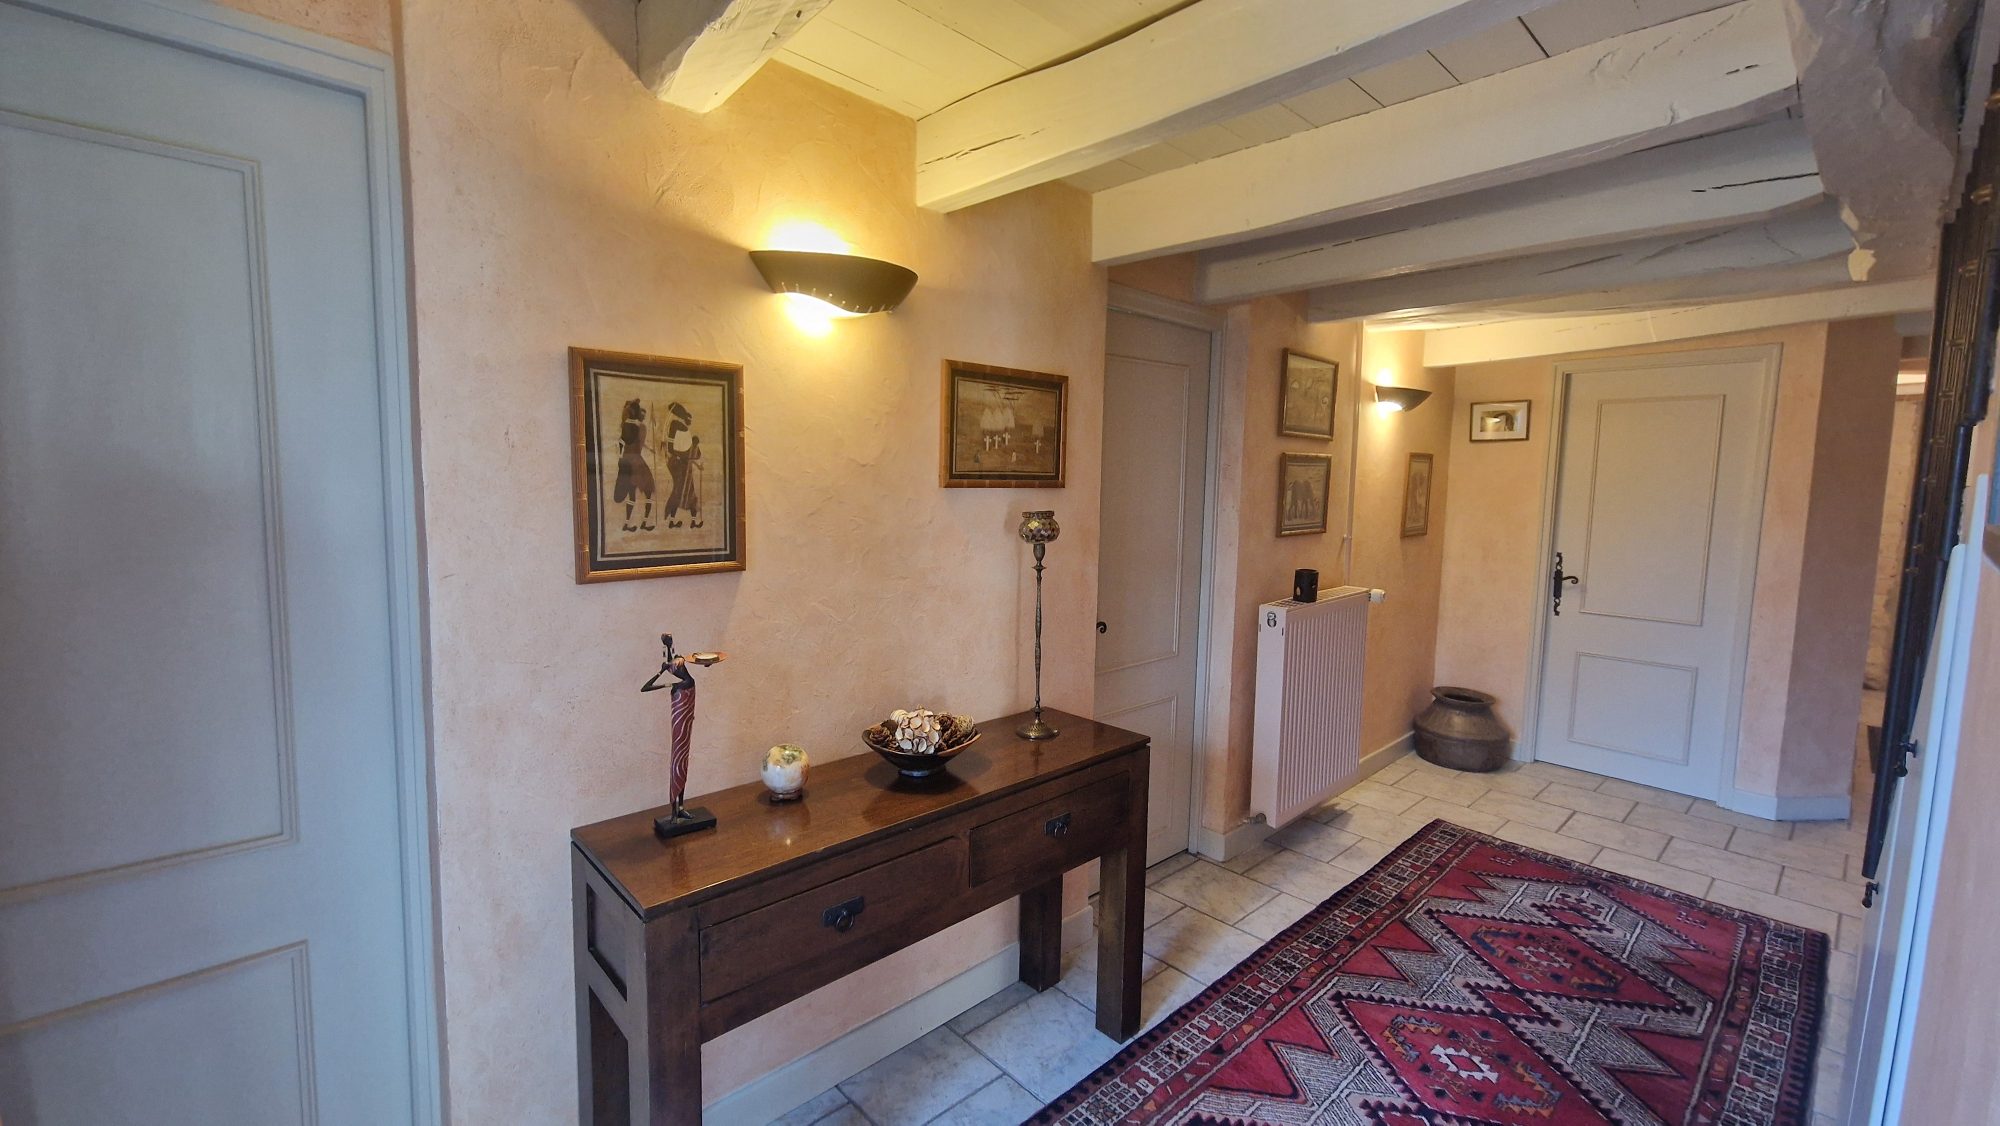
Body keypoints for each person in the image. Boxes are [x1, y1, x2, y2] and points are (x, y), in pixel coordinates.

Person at [612, 398, 656, 532]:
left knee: (634, 493)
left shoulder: (627, 426)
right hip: (635, 461)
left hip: (629, 460)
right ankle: (641, 522)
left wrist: (649, 449)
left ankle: (630, 524)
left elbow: (628, 442)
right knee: (647, 490)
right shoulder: (638, 427)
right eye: (641, 414)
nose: (643, 417)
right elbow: (632, 441)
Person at [663, 401, 695, 528]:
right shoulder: (676, 425)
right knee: (678, 489)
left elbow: (686, 448)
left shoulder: (682, 427)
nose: (690, 421)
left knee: (687, 489)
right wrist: (675, 455)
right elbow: (672, 446)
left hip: (683, 463)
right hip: (678, 463)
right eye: (689, 419)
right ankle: (671, 520)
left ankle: (692, 520)